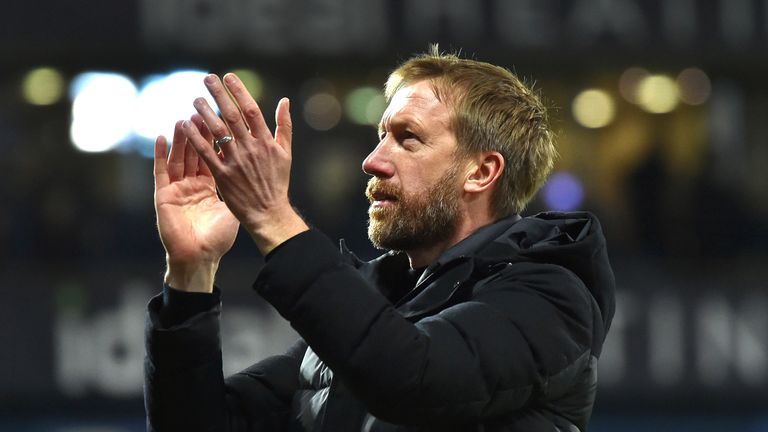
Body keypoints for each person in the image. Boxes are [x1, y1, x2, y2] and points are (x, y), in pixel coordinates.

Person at [144, 47, 616, 432]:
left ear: (481, 171)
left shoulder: (552, 298)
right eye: (380, 136)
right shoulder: (375, 307)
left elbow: (411, 379)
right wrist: (191, 274)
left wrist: (273, 217)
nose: (372, 160)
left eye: (407, 139)